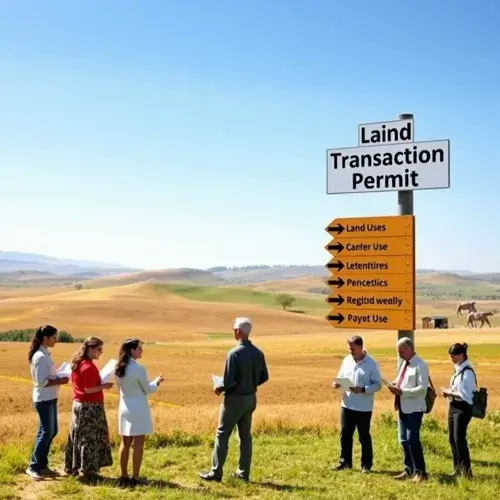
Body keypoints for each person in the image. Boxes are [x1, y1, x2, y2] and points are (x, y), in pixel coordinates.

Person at [199, 317, 269, 483]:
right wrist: (250, 384)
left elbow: (229, 382)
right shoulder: (258, 353)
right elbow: (264, 377)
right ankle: (243, 473)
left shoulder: (234, 353)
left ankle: (216, 472)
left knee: (222, 434)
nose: (233, 332)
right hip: (251, 398)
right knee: (245, 436)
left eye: (234, 329)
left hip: (235, 400)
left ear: (238, 331)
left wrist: (218, 387)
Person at [114, 339, 164, 487]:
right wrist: (156, 382)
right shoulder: (138, 369)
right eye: (140, 348)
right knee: (138, 444)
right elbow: (147, 389)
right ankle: (136, 476)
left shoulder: (118, 367)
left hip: (124, 408)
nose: (142, 351)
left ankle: (124, 475)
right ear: (132, 350)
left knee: (125, 443)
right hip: (138, 408)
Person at [64, 337, 114, 480]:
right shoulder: (88, 367)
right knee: (89, 438)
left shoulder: (79, 363)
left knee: (78, 436)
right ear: (90, 349)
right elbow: (88, 389)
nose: (101, 352)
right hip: (89, 407)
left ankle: (73, 466)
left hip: (79, 405)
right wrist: (104, 386)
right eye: (99, 349)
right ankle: (88, 471)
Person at [331, 335, 381, 473]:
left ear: (360, 347)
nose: (350, 351)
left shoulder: (371, 364)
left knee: (363, 436)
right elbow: (340, 377)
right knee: (345, 434)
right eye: (349, 348)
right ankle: (345, 462)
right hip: (347, 404)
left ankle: (366, 465)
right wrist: (336, 384)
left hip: (363, 407)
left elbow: (378, 385)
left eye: (352, 348)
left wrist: (363, 389)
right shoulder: (346, 360)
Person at [26, 325, 69, 481]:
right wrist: (60, 381)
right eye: (54, 337)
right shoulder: (40, 356)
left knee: (51, 431)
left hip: (50, 397)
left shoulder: (45, 354)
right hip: (43, 399)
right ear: (46, 338)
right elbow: (41, 382)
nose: (56, 340)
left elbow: (47, 377)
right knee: (46, 432)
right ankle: (34, 467)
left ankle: (42, 466)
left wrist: (57, 377)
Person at [387, 337, 429, 482]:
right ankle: (408, 470)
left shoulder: (420, 365)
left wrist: (402, 391)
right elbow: (402, 381)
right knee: (404, 440)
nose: (399, 354)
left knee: (413, 440)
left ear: (409, 349)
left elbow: (422, 389)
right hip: (402, 407)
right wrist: (393, 384)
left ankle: (421, 472)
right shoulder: (404, 363)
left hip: (415, 408)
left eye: (400, 351)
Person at [440, 342, 475, 478]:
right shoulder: (458, 369)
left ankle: (467, 472)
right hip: (453, 406)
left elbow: (466, 395)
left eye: (453, 356)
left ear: (461, 355)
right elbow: (458, 390)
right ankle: (457, 469)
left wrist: (449, 392)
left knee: (459, 440)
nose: (451, 358)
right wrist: (450, 393)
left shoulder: (468, 372)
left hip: (463, 408)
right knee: (452, 439)